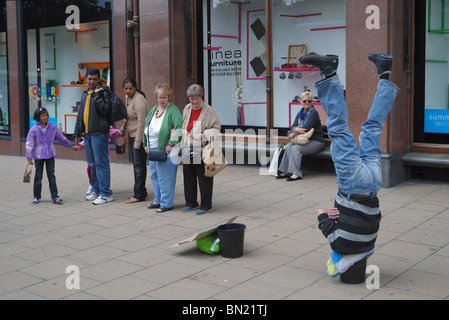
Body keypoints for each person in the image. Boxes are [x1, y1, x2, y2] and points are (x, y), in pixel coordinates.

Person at [298, 54, 399, 262]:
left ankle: (385, 73)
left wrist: (340, 215)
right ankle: (329, 72)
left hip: (373, 184)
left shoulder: (369, 242)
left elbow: (375, 216)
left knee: (373, 128)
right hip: (353, 185)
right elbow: (321, 214)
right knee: (338, 127)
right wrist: (330, 214)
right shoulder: (339, 244)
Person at [74, 68, 114, 205]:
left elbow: (106, 110)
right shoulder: (85, 93)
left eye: (94, 79)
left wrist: (97, 96)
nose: (92, 81)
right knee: (92, 164)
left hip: (100, 133)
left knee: (101, 163)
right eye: (89, 78)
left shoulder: (103, 93)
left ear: (99, 79)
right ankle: (96, 190)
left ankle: (105, 193)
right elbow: (80, 115)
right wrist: (77, 134)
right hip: (88, 134)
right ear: (86, 78)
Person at [181, 84, 221, 215]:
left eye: (197, 98)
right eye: (191, 98)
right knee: (188, 177)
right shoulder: (187, 108)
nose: (194, 101)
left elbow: (216, 129)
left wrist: (203, 135)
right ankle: (191, 202)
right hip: (188, 147)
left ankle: (206, 205)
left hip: (202, 148)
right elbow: (184, 125)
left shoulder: (209, 110)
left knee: (204, 177)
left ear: (201, 97)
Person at [143, 83, 183, 213]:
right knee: (154, 175)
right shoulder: (154, 109)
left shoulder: (173, 110)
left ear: (169, 97)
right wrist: (145, 143)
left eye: (164, 97)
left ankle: (166, 203)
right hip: (153, 150)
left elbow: (178, 128)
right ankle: (158, 200)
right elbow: (146, 127)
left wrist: (170, 144)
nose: (162, 100)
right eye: (160, 97)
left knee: (165, 177)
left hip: (168, 150)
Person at [26, 107, 77, 204]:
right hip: (39, 156)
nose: (45, 117)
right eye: (42, 115)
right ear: (38, 117)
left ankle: (55, 197)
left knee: (51, 176)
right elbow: (30, 144)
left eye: (46, 115)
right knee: (38, 176)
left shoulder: (53, 127)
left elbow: (61, 138)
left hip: (50, 155)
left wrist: (71, 146)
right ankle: (36, 196)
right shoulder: (33, 130)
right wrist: (29, 158)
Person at [277, 90, 325, 181]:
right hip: (303, 140)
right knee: (289, 146)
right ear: (301, 102)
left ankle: (296, 173)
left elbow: (306, 129)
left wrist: (295, 131)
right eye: (305, 101)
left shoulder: (313, 113)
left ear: (312, 102)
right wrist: (296, 129)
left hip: (316, 141)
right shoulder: (300, 113)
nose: (307, 103)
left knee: (296, 148)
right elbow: (293, 125)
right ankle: (286, 171)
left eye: (309, 101)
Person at [119, 77, 150, 203]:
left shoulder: (139, 100)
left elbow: (142, 122)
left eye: (130, 88)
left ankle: (138, 195)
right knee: (136, 166)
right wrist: (122, 130)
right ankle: (140, 191)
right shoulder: (128, 99)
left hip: (140, 137)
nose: (127, 91)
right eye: (125, 88)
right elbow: (128, 117)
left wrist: (138, 142)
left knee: (139, 166)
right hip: (132, 135)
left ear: (135, 88)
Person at [76, 127, 120, 196]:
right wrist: (78, 146)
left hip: (102, 155)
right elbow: (86, 141)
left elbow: (117, 132)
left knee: (101, 170)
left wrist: (122, 132)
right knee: (90, 168)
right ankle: (93, 185)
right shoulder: (90, 128)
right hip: (93, 155)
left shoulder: (105, 128)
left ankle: (102, 188)